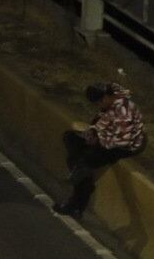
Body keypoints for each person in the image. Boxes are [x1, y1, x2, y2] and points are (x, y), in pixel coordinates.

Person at [56, 81, 146, 217]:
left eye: (100, 102)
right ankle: (82, 182)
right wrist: (91, 133)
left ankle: (76, 205)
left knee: (86, 162)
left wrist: (98, 141)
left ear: (106, 97)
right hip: (109, 136)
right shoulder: (111, 96)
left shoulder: (123, 112)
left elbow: (121, 140)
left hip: (126, 145)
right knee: (71, 138)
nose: (99, 106)